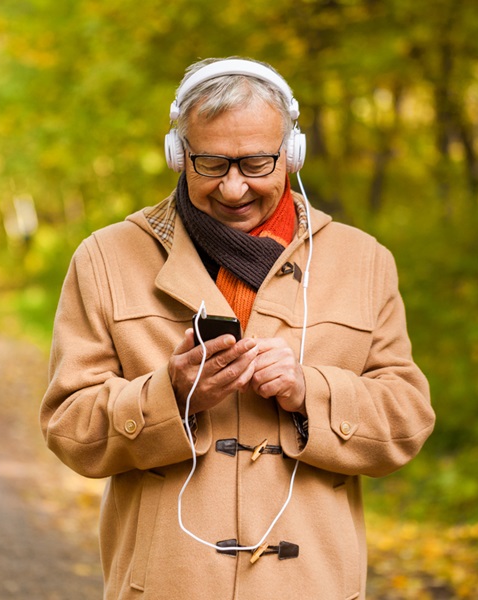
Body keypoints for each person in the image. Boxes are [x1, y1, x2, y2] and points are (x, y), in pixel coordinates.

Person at [40, 57, 434, 599]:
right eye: (211, 163)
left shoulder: (363, 261)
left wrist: (309, 392)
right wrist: (170, 396)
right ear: (178, 156)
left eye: (255, 164)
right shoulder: (105, 258)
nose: (232, 189)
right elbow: (69, 427)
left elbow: (407, 420)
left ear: (290, 155)